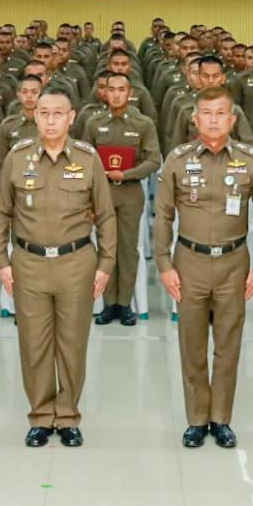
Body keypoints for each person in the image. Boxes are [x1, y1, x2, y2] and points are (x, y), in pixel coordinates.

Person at [0, 86, 117, 448]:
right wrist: (2, 261)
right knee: (34, 344)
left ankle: (69, 414)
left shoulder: (88, 159)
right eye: (43, 113)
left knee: (72, 344)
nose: (50, 120)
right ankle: (41, 416)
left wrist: (106, 263)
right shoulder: (17, 158)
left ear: (71, 118)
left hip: (76, 262)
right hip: (28, 264)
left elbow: (106, 215)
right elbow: (0, 212)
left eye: (58, 113)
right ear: (34, 115)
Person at [153, 87, 253, 449]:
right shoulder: (177, 159)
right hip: (189, 262)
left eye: (221, 113)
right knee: (191, 344)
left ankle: (221, 418)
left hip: (234, 263)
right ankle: (196, 418)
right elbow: (163, 215)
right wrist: (164, 263)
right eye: (206, 113)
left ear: (233, 119)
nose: (214, 120)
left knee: (227, 344)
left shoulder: (250, 160)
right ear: (195, 119)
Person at [81, 71, 162, 326]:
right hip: (101, 193)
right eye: (111, 89)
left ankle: (124, 304)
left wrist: (125, 174)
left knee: (127, 249)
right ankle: (107, 304)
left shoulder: (142, 123)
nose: (116, 95)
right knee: (105, 248)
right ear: (103, 93)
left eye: (121, 90)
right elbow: (83, 158)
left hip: (129, 193)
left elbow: (154, 160)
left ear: (130, 93)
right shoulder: (94, 122)